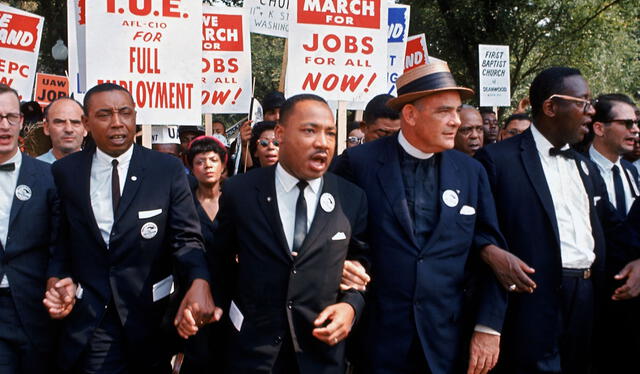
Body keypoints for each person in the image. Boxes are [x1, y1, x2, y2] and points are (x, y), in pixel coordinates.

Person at [333, 61, 507, 374]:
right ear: (410, 114)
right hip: (376, 341)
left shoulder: (471, 172)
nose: (456, 121)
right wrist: (338, 265)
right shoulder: (358, 164)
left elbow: (491, 249)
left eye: (457, 110)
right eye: (444, 111)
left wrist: (488, 326)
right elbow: (328, 235)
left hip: (448, 342)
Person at [43, 83, 220, 373]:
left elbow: (186, 239)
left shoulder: (166, 169)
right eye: (105, 114)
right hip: (93, 319)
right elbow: (60, 243)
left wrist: (199, 281)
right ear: (86, 123)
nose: (117, 122)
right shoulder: (66, 173)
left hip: (151, 316)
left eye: (125, 113)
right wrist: (57, 279)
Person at [475, 67, 640, 374]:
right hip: (531, 302)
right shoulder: (498, 161)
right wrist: (488, 250)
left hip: (588, 301)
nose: (591, 112)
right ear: (551, 107)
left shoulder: (585, 167)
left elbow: (613, 229)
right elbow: (479, 230)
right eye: (583, 102)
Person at [211, 94, 368, 374]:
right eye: (310, 130)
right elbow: (218, 264)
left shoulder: (351, 197)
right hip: (252, 354)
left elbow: (363, 265)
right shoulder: (240, 192)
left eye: (330, 133)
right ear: (280, 134)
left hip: (321, 356)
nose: (322, 142)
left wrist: (351, 307)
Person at [0, 84, 59, 373]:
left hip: (36, 307)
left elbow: (60, 241)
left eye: (11, 117)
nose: (4, 126)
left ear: (22, 122)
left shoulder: (48, 177)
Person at [588, 93, 640, 373]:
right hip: (594, 303)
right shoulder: (577, 169)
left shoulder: (633, 172)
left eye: (636, 123)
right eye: (627, 123)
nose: (635, 130)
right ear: (599, 127)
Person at [179, 136, 229, 374]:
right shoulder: (182, 204)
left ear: (223, 165)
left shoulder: (237, 199)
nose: (208, 166)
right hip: (193, 289)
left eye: (213, 160)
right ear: (190, 167)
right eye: (200, 161)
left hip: (232, 291)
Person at [37, 97, 86, 163]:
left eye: (75, 122)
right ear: (46, 127)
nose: (69, 129)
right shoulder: (30, 169)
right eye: (60, 122)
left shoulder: (99, 168)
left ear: (86, 128)